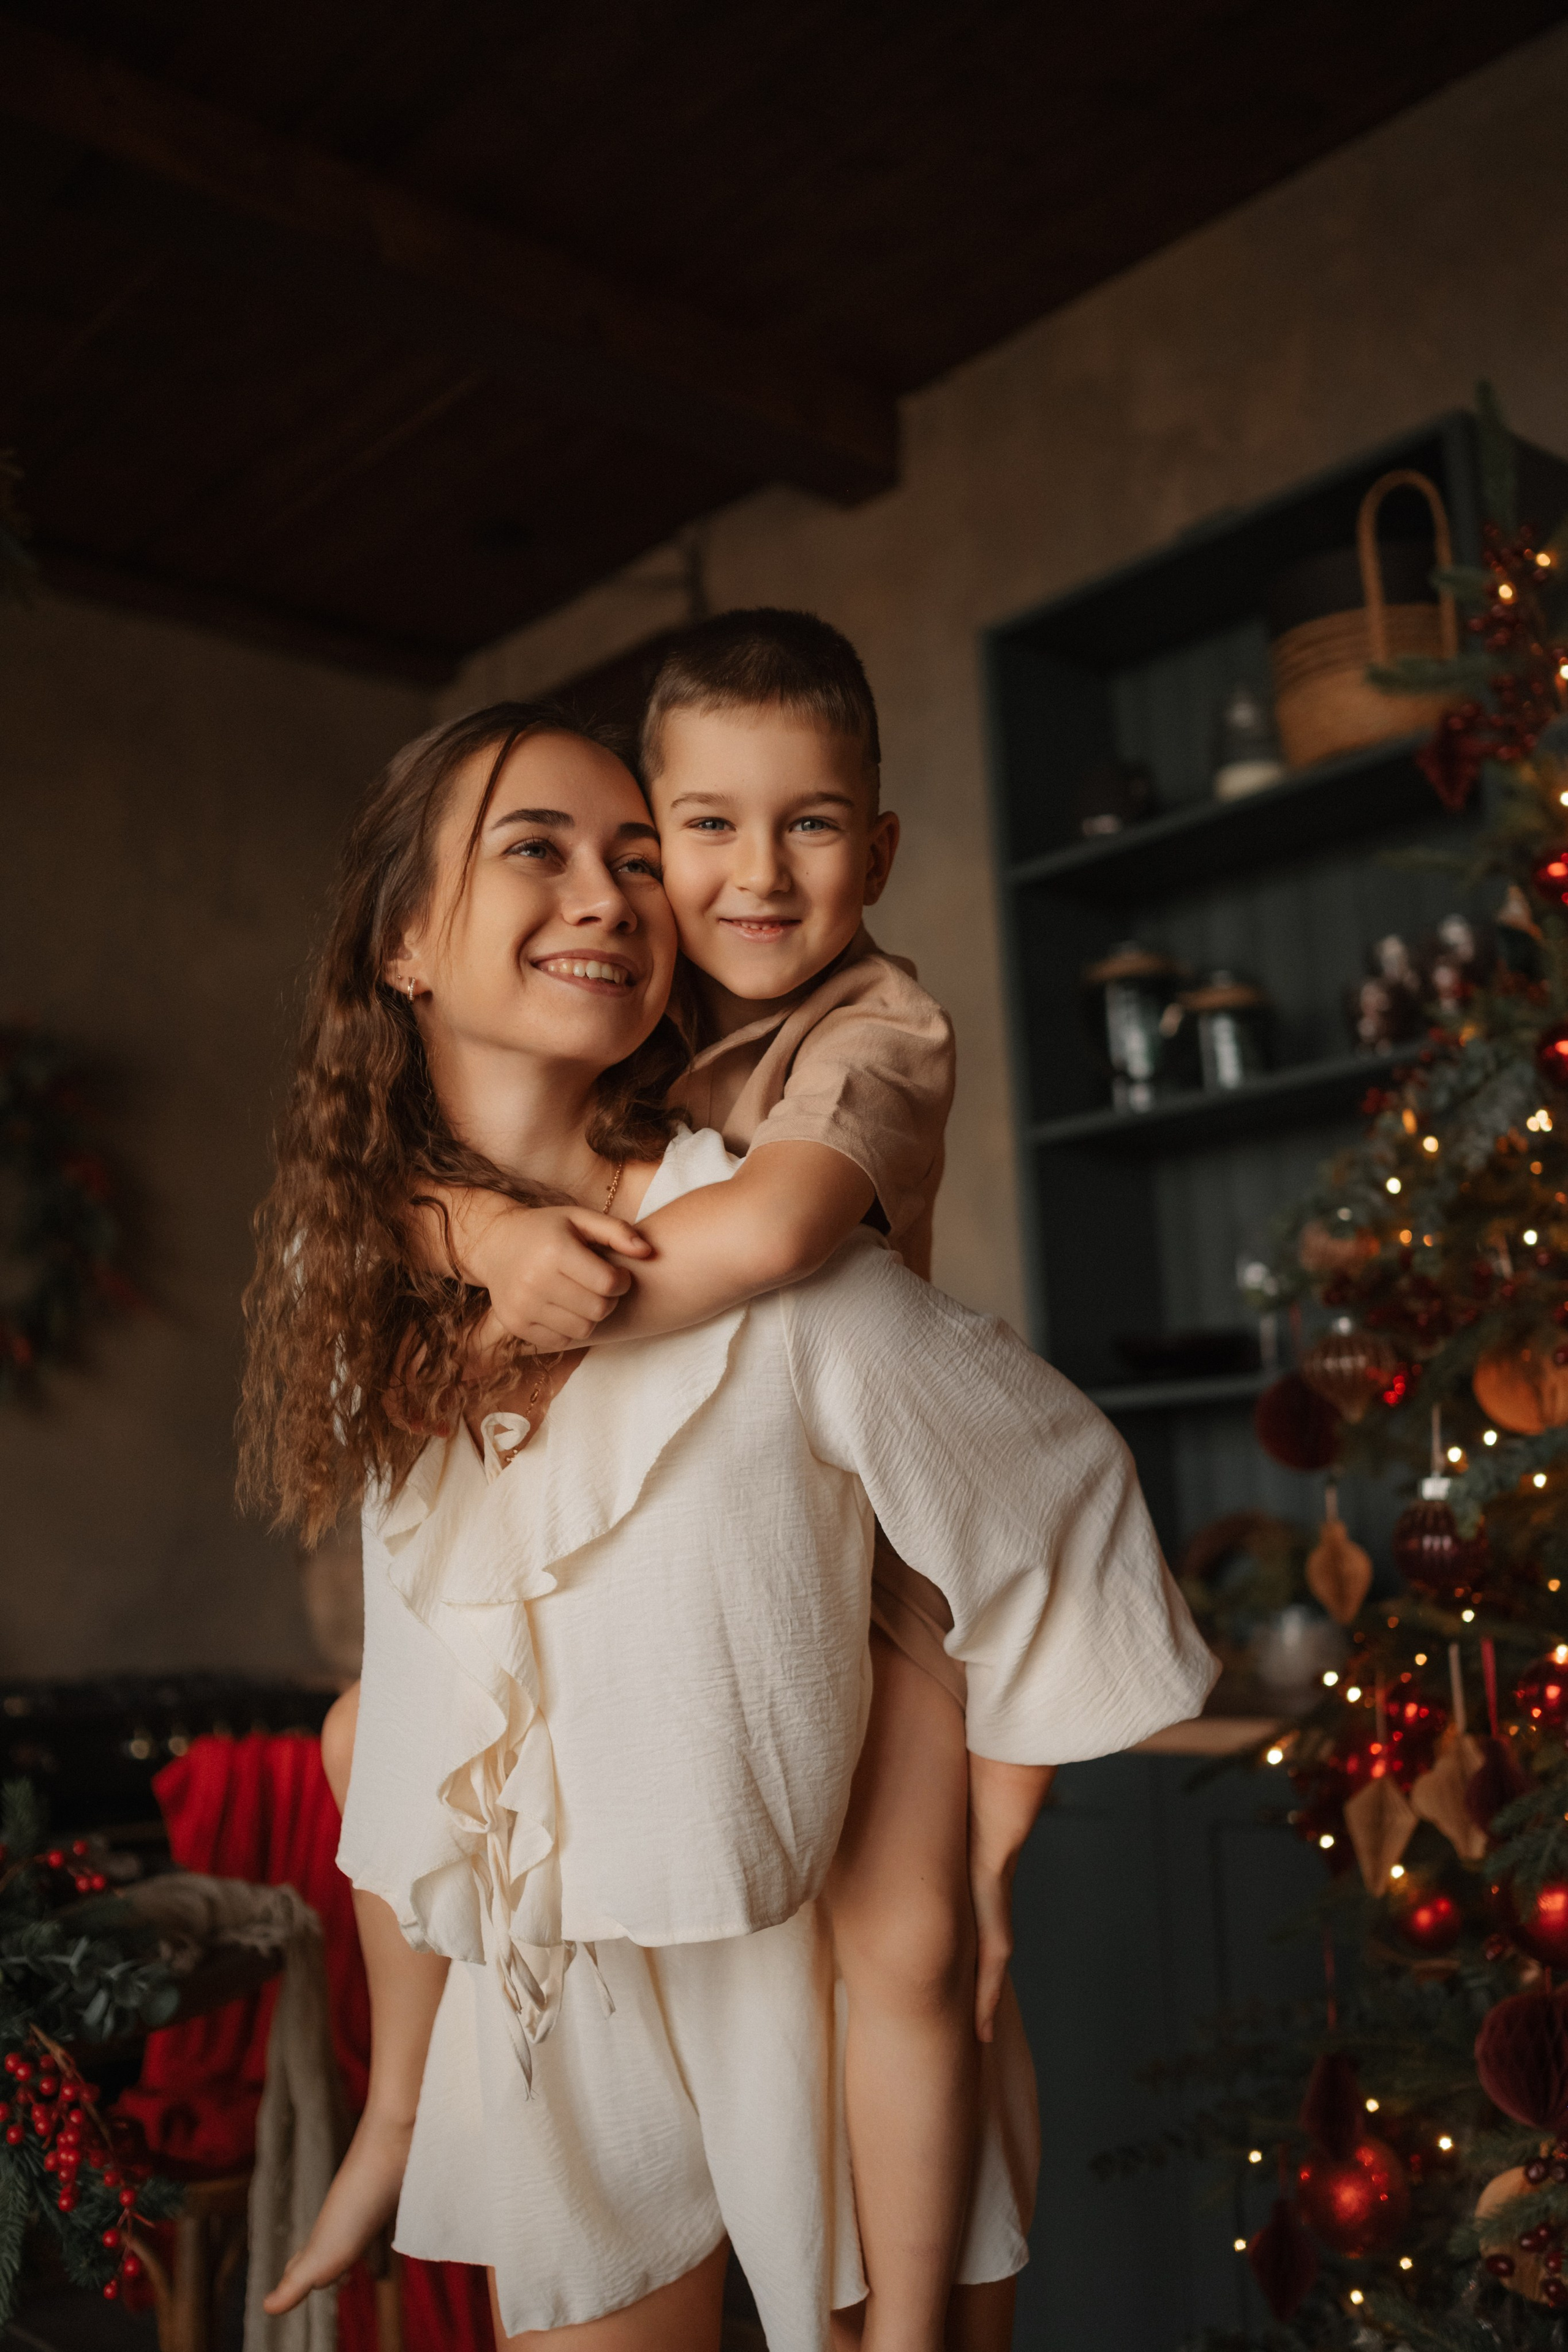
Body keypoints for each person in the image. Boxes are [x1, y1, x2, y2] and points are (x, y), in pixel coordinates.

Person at [240, 703, 1215, 2351]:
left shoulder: (776, 1263)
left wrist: (981, 1833)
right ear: (404, 940)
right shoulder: (352, 1282)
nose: (614, 897)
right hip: (554, 2032)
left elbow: (1052, 1490)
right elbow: (406, 1716)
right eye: (537, 850)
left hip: (820, 2019)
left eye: (637, 859)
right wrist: (399, 2115)